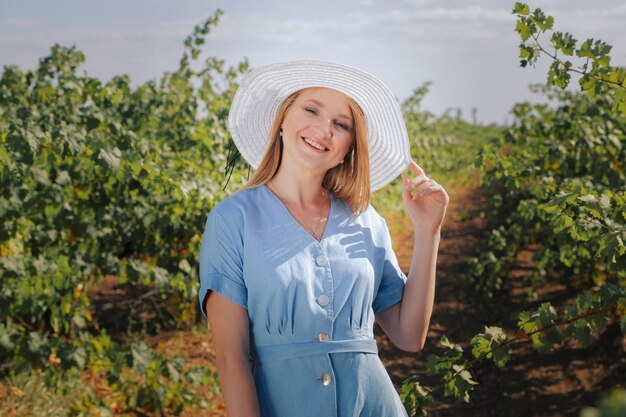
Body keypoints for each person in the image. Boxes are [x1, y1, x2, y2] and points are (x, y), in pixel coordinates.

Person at [198, 60, 449, 417]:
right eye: (311, 109)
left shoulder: (368, 222)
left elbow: (410, 336)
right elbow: (230, 357)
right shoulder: (233, 219)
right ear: (282, 118)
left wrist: (428, 232)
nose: (323, 129)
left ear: (349, 146)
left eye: (341, 124)